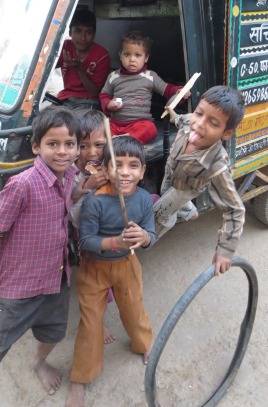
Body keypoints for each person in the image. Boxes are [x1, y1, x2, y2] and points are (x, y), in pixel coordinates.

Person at [0, 106, 81, 407]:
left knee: (54, 330)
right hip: (16, 289)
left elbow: (69, 200)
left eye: (70, 144)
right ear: (36, 146)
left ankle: (38, 362)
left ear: (78, 148)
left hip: (56, 278)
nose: (62, 152)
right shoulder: (22, 185)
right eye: (52, 144)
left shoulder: (71, 175)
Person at [66, 136, 155, 407]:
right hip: (95, 268)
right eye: (117, 165)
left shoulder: (142, 200)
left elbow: (151, 233)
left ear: (142, 171)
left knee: (134, 309)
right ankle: (80, 378)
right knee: (91, 322)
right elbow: (86, 241)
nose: (125, 172)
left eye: (133, 165)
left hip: (127, 266)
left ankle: (144, 344)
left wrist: (144, 237)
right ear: (105, 169)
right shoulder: (96, 201)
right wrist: (114, 242)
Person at [154, 85, 246, 276]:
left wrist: (225, 250)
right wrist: (171, 112)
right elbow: (180, 120)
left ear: (226, 133)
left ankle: (152, 233)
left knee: (160, 212)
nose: (199, 124)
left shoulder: (216, 165)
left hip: (185, 189)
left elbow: (234, 209)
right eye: (199, 113)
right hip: (171, 172)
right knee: (164, 191)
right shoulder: (190, 122)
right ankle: (189, 211)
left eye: (213, 123)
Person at [70, 108, 116, 344]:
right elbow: (75, 217)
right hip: (88, 241)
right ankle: (96, 322)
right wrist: (86, 187)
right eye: (84, 145)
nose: (92, 153)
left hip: (111, 236)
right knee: (96, 288)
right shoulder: (71, 172)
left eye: (99, 145)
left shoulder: (111, 164)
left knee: (111, 280)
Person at [99, 31, 190, 144]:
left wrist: (178, 91)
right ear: (120, 55)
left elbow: (166, 89)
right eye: (127, 54)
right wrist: (109, 105)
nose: (132, 59)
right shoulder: (113, 76)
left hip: (139, 124)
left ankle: (123, 139)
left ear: (146, 58)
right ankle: (122, 140)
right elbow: (104, 95)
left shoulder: (150, 76)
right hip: (115, 124)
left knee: (150, 128)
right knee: (99, 128)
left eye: (138, 55)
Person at [56, 8, 111, 110]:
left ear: (94, 34)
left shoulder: (102, 55)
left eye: (88, 32)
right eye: (78, 31)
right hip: (65, 99)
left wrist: (79, 69)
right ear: (70, 32)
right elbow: (44, 67)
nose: (83, 38)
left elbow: (94, 92)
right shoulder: (64, 47)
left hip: (89, 101)